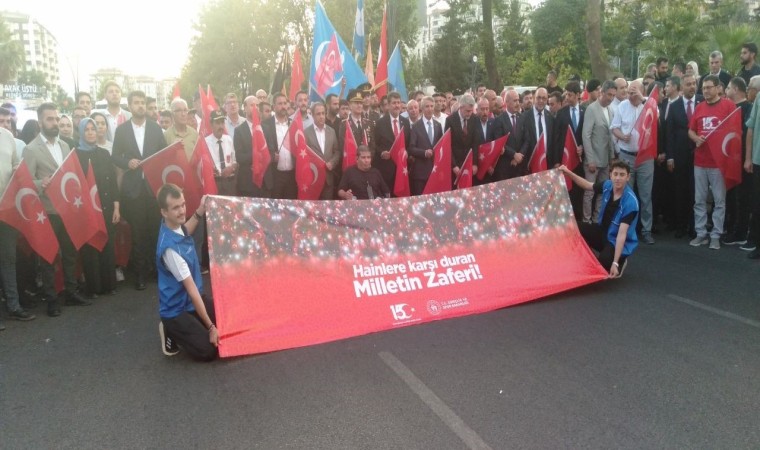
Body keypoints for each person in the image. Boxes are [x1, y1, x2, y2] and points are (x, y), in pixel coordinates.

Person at [23, 103, 92, 316]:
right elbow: (26, 182)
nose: (54, 123)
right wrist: (39, 183)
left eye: (56, 118)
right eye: (49, 119)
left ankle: (71, 292)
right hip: (48, 211)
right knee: (49, 256)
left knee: (70, 253)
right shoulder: (31, 149)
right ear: (40, 122)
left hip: (68, 209)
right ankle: (52, 299)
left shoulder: (65, 145)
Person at [112, 91, 168, 290]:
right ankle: (140, 274)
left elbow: (164, 154)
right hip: (133, 189)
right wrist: (127, 162)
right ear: (129, 106)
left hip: (153, 188)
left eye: (143, 102)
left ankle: (156, 270)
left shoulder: (155, 128)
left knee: (155, 231)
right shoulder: (122, 130)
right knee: (138, 233)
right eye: (136, 103)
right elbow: (115, 156)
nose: (140, 106)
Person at [155, 184, 217, 361]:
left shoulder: (172, 225)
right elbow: (192, 291)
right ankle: (170, 330)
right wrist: (211, 327)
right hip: (176, 309)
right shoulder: (170, 250)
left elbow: (185, 230)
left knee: (226, 320)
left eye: (183, 204)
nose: (182, 211)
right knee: (208, 350)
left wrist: (200, 210)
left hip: (189, 300)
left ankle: (193, 322)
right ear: (164, 212)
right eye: (176, 208)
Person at [559, 161, 639, 278]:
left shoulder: (631, 202)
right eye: (615, 174)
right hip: (603, 231)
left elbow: (622, 235)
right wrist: (568, 173)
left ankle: (620, 260)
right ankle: (588, 257)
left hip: (615, 240)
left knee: (604, 264)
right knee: (573, 227)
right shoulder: (607, 185)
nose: (618, 178)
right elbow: (587, 185)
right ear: (610, 175)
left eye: (622, 175)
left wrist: (615, 263)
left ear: (628, 177)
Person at [687, 74, 737, 250]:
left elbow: (735, 131)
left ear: (718, 88)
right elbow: (690, 131)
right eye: (704, 88)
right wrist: (696, 138)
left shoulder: (729, 106)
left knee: (719, 201)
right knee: (699, 200)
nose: (706, 91)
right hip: (700, 162)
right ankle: (701, 233)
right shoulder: (699, 107)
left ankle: (716, 234)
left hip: (719, 163)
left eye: (709, 87)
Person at [75, 118, 120, 298]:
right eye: (86, 130)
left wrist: (116, 207)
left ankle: (109, 284)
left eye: (93, 129)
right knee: (91, 248)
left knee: (107, 245)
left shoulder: (104, 153)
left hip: (107, 207)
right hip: (87, 210)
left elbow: (113, 182)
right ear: (81, 132)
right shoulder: (75, 155)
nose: (91, 132)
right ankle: (94, 288)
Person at [611, 80, 655, 245]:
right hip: (626, 156)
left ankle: (646, 230)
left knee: (645, 194)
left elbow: (657, 118)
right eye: (629, 92)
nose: (630, 95)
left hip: (645, 157)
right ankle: (626, 228)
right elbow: (614, 127)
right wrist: (622, 136)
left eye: (634, 92)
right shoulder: (622, 106)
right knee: (626, 193)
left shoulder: (649, 105)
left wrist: (643, 100)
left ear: (642, 91)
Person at [0, 125, 36, 326]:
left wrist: (16, 169)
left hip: (7, 209)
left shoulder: (7, 136)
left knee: (8, 259)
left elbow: (15, 164)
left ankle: (13, 306)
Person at [722, 77, 753, 246]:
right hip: (729, 160)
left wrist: (746, 158)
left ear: (735, 89)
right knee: (731, 195)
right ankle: (730, 226)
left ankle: (740, 231)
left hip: (742, 160)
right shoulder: (729, 108)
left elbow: (747, 133)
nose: (726, 91)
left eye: (728, 87)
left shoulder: (748, 108)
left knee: (742, 197)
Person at [663, 76, 695, 238]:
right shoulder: (674, 106)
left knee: (695, 191)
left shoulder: (702, 103)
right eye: (688, 84)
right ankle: (681, 225)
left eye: (694, 83)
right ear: (682, 86)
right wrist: (670, 157)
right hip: (679, 154)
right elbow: (669, 133)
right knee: (680, 190)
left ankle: (694, 225)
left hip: (698, 155)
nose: (692, 87)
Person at [582, 80, 617, 224]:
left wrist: (612, 157)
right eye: (609, 94)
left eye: (613, 95)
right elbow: (586, 135)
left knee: (603, 192)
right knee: (589, 192)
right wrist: (590, 159)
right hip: (593, 160)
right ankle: (586, 221)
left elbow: (610, 136)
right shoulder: (591, 109)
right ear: (602, 92)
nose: (611, 98)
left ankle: (597, 221)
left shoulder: (610, 110)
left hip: (606, 160)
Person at [374, 91, 411, 191]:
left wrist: (407, 152)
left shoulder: (406, 122)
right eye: (394, 103)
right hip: (386, 169)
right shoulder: (380, 123)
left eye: (398, 103)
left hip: (402, 168)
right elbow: (374, 144)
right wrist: (381, 153)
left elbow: (408, 143)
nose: (397, 105)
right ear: (389, 105)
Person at [304, 102, 340, 199]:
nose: (321, 116)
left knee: (327, 207)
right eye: (318, 114)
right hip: (313, 178)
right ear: (312, 115)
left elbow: (337, 151)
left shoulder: (331, 131)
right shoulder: (306, 133)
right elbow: (304, 155)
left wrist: (332, 163)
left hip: (328, 179)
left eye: (323, 113)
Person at [409, 96, 444, 195]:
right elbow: (411, 148)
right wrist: (424, 153)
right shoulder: (416, 126)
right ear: (422, 108)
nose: (430, 109)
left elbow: (441, 146)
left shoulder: (438, 125)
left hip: (435, 171)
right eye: (427, 106)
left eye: (432, 106)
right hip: (420, 173)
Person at [491, 89, 525, 181]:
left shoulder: (522, 118)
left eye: (518, 100)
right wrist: (514, 154)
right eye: (515, 101)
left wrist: (519, 155)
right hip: (505, 167)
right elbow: (499, 142)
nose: (517, 103)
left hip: (520, 165)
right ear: (507, 102)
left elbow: (527, 140)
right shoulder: (499, 120)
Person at [743, 75, 760, 259]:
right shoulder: (759, 98)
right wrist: (748, 158)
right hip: (758, 159)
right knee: (757, 204)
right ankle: (757, 244)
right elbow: (751, 128)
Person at [446, 93, 480, 180]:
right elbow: (447, 145)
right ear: (460, 107)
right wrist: (453, 165)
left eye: (471, 110)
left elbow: (475, 143)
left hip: (469, 163)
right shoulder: (450, 120)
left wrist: (475, 163)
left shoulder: (475, 119)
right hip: (456, 165)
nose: (470, 113)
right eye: (467, 111)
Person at [518, 88, 551, 176]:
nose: (541, 101)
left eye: (544, 98)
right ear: (534, 98)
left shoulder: (551, 117)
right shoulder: (523, 117)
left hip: (546, 164)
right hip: (528, 165)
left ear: (547, 100)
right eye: (538, 97)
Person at [206, 110, 237, 196]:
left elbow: (235, 161)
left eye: (222, 123)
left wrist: (231, 168)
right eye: (217, 123)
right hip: (214, 183)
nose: (221, 126)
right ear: (211, 124)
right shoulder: (205, 143)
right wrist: (211, 169)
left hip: (229, 182)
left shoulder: (229, 139)